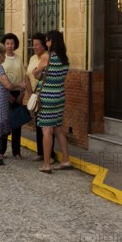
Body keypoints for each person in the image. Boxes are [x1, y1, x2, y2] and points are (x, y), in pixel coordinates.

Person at [33, 30, 71, 173]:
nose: (46, 43)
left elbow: (36, 75)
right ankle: (66, 159)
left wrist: (35, 72)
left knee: (47, 130)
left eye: (48, 40)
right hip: (60, 96)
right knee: (59, 129)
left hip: (47, 98)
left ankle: (47, 164)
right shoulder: (64, 58)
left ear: (51, 42)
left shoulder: (46, 57)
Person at [25, 33, 56, 162]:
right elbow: (27, 75)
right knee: (38, 124)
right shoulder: (32, 58)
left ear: (44, 45)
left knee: (47, 125)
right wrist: (30, 93)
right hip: (34, 94)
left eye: (37, 44)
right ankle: (40, 152)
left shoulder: (46, 58)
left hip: (45, 94)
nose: (34, 47)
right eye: (33, 44)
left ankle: (50, 154)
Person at [0, 33, 26, 159]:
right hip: (4, 93)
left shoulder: (19, 58)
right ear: (4, 44)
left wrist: (21, 95)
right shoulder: (1, 59)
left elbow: (24, 78)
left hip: (17, 93)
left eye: (12, 43)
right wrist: (7, 94)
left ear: (15, 45)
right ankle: (1, 151)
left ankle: (16, 151)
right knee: (3, 123)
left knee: (17, 123)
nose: (9, 46)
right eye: (7, 43)